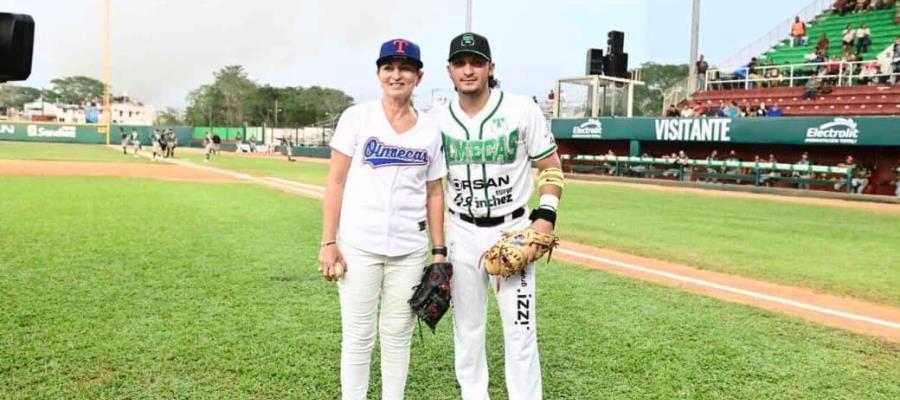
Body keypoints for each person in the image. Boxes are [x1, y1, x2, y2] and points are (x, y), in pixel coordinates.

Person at [432, 32, 563, 400]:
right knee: (467, 332)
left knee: (521, 333)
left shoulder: (522, 109)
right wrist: (437, 250)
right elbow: (431, 187)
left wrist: (544, 218)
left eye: (476, 62)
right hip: (461, 232)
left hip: (513, 230)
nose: (468, 70)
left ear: (491, 67)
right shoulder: (438, 120)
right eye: (460, 63)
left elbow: (551, 168)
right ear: (450, 70)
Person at [318, 38, 447, 400]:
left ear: (418, 77)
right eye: (389, 67)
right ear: (379, 74)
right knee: (358, 335)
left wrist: (439, 252)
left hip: (409, 248)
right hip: (359, 245)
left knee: (397, 335)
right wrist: (329, 242)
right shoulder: (357, 118)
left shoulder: (430, 129)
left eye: (405, 68)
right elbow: (336, 181)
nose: (397, 74)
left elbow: (435, 192)